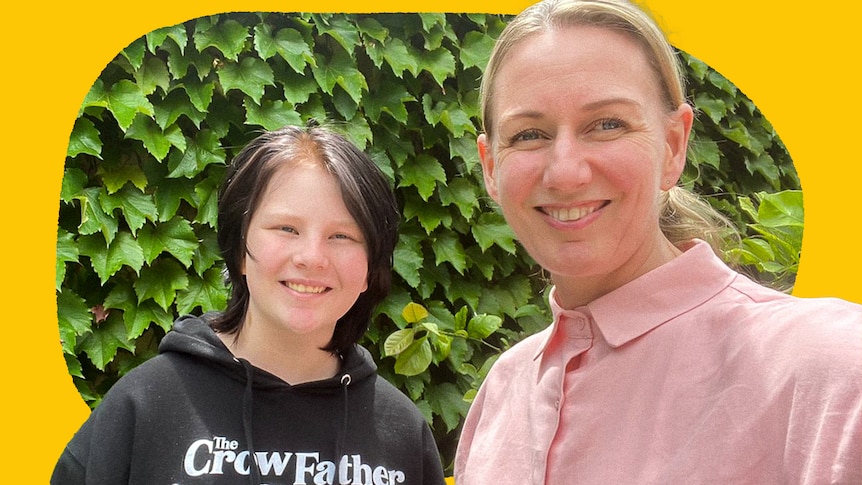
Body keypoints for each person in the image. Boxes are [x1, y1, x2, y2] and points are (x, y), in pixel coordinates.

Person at [454, 0, 862, 483]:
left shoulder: (828, 367)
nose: (565, 172)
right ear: (491, 167)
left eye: (608, 124)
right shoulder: (503, 390)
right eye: (528, 134)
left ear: (673, 146)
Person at [52, 124, 447, 484]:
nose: (312, 257)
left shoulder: (402, 433)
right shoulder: (144, 407)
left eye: (342, 236)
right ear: (239, 249)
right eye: (286, 228)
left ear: (368, 269)